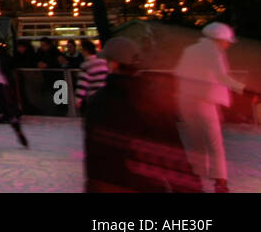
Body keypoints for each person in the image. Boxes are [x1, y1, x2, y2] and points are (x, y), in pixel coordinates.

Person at [83, 38, 198, 193]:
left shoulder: (99, 102)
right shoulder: (152, 100)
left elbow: (94, 156)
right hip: (148, 184)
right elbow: (172, 149)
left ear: (114, 63)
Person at [174, 22, 246, 193]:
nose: (228, 45)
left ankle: (196, 180)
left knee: (195, 143)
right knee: (215, 144)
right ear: (219, 39)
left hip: (186, 102)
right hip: (203, 102)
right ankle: (220, 183)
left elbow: (178, 73)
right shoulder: (213, 51)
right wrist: (243, 88)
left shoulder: (190, 50)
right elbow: (221, 76)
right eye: (227, 41)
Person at [75, 38, 108, 112]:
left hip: (93, 97)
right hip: (105, 95)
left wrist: (78, 99)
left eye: (82, 50)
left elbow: (82, 84)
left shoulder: (86, 65)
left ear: (85, 51)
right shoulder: (103, 62)